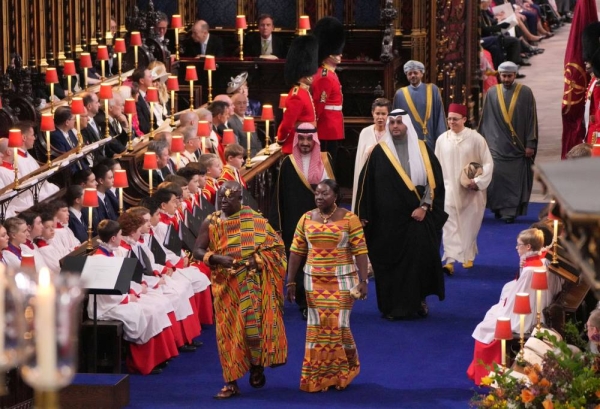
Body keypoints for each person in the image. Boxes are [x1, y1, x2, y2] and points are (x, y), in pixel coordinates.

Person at [192, 181, 288, 398]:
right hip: (225, 286)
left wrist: (257, 260)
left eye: (229, 198)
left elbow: (277, 248)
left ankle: (256, 366)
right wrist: (215, 258)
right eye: (220, 198)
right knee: (227, 335)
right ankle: (231, 381)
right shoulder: (212, 221)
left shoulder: (255, 220)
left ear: (240, 199)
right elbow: (198, 250)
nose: (223, 201)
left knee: (252, 330)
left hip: (251, 283)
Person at [355, 108, 447, 320]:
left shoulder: (423, 149)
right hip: (387, 224)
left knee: (419, 261)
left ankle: (418, 302)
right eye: (392, 122)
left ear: (407, 125)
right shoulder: (379, 152)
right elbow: (365, 186)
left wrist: (424, 208)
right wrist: (363, 215)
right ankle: (392, 307)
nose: (395, 126)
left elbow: (435, 184)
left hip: (417, 219)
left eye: (399, 122)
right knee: (389, 264)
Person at [286, 179, 368, 392]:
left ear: (336, 196)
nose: (319, 197)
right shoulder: (306, 218)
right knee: (317, 328)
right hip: (314, 280)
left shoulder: (350, 219)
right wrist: (290, 281)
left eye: (324, 193)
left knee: (338, 325)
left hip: (343, 279)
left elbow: (360, 250)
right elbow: (296, 251)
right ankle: (317, 376)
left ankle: (341, 373)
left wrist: (363, 280)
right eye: (317, 194)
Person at [467, 228, 561, 385]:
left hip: (525, 317)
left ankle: (487, 373)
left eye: (519, 245)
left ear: (528, 247)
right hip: (535, 310)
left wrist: (502, 309)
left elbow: (516, 300)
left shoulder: (531, 270)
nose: (516, 248)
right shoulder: (543, 261)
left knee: (484, 327)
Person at [269, 123, 334, 319]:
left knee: (322, 262)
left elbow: (335, 192)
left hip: (323, 223)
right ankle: (304, 302)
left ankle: (322, 299)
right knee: (300, 263)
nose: (305, 143)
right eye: (302, 139)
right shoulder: (288, 163)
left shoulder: (326, 159)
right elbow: (278, 197)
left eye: (309, 139)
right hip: (295, 225)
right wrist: (278, 227)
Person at [434, 103, 494, 274]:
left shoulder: (476, 139)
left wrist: (478, 181)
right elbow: (436, 165)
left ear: (464, 119)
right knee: (449, 224)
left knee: (469, 224)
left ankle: (468, 255)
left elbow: (488, 162)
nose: (451, 122)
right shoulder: (442, 139)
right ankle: (450, 259)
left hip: (471, 191)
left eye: (455, 119)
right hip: (448, 190)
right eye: (449, 119)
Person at [478, 61, 538, 224]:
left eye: (509, 76)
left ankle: (510, 211)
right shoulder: (491, 93)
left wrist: (530, 143)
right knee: (497, 179)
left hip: (518, 147)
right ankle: (499, 208)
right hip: (497, 146)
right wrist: (484, 143)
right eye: (503, 76)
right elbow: (486, 120)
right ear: (499, 75)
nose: (506, 79)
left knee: (514, 181)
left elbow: (531, 119)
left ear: (515, 75)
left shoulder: (526, 92)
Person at [311, 17, 346, 164]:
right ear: (329, 54)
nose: (341, 55)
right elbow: (319, 105)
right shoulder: (324, 76)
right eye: (337, 52)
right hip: (326, 127)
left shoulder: (329, 73)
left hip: (332, 124)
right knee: (326, 163)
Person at [276, 35, 319, 154]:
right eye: (308, 74)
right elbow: (287, 125)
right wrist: (281, 139)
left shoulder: (304, 92)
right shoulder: (297, 95)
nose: (312, 76)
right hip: (296, 146)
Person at [392, 60, 447, 148]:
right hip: (408, 142)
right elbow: (396, 120)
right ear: (406, 75)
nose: (413, 75)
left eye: (415, 73)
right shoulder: (400, 94)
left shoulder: (432, 90)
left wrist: (442, 139)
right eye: (410, 73)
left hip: (430, 140)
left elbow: (439, 116)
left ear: (422, 73)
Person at [351, 98, 391, 211]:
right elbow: (360, 160)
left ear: (388, 115)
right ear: (372, 113)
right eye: (377, 113)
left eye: (383, 114)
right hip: (367, 178)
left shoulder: (392, 134)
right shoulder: (365, 132)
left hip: (385, 180)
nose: (380, 117)